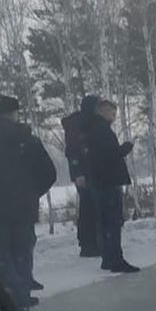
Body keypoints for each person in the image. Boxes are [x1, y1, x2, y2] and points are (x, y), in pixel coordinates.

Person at [0, 94, 56, 311]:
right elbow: (48, 173)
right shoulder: (28, 139)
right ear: (13, 114)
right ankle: (22, 298)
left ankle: (12, 300)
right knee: (22, 252)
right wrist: (31, 193)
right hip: (23, 208)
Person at [80, 97, 139, 273]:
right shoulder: (101, 130)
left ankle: (108, 258)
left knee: (105, 223)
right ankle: (115, 259)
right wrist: (126, 148)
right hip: (109, 181)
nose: (113, 117)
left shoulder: (90, 129)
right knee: (113, 223)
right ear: (102, 111)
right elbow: (109, 155)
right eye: (112, 113)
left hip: (99, 181)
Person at [62, 97, 99, 258]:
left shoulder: (87, 123)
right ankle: (88, 244)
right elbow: (72, 151)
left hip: (92, 171)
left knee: (92, 207)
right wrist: (78, 173)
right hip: (84, 174)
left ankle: (92, 242)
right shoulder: (79, 125)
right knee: (89, 208)